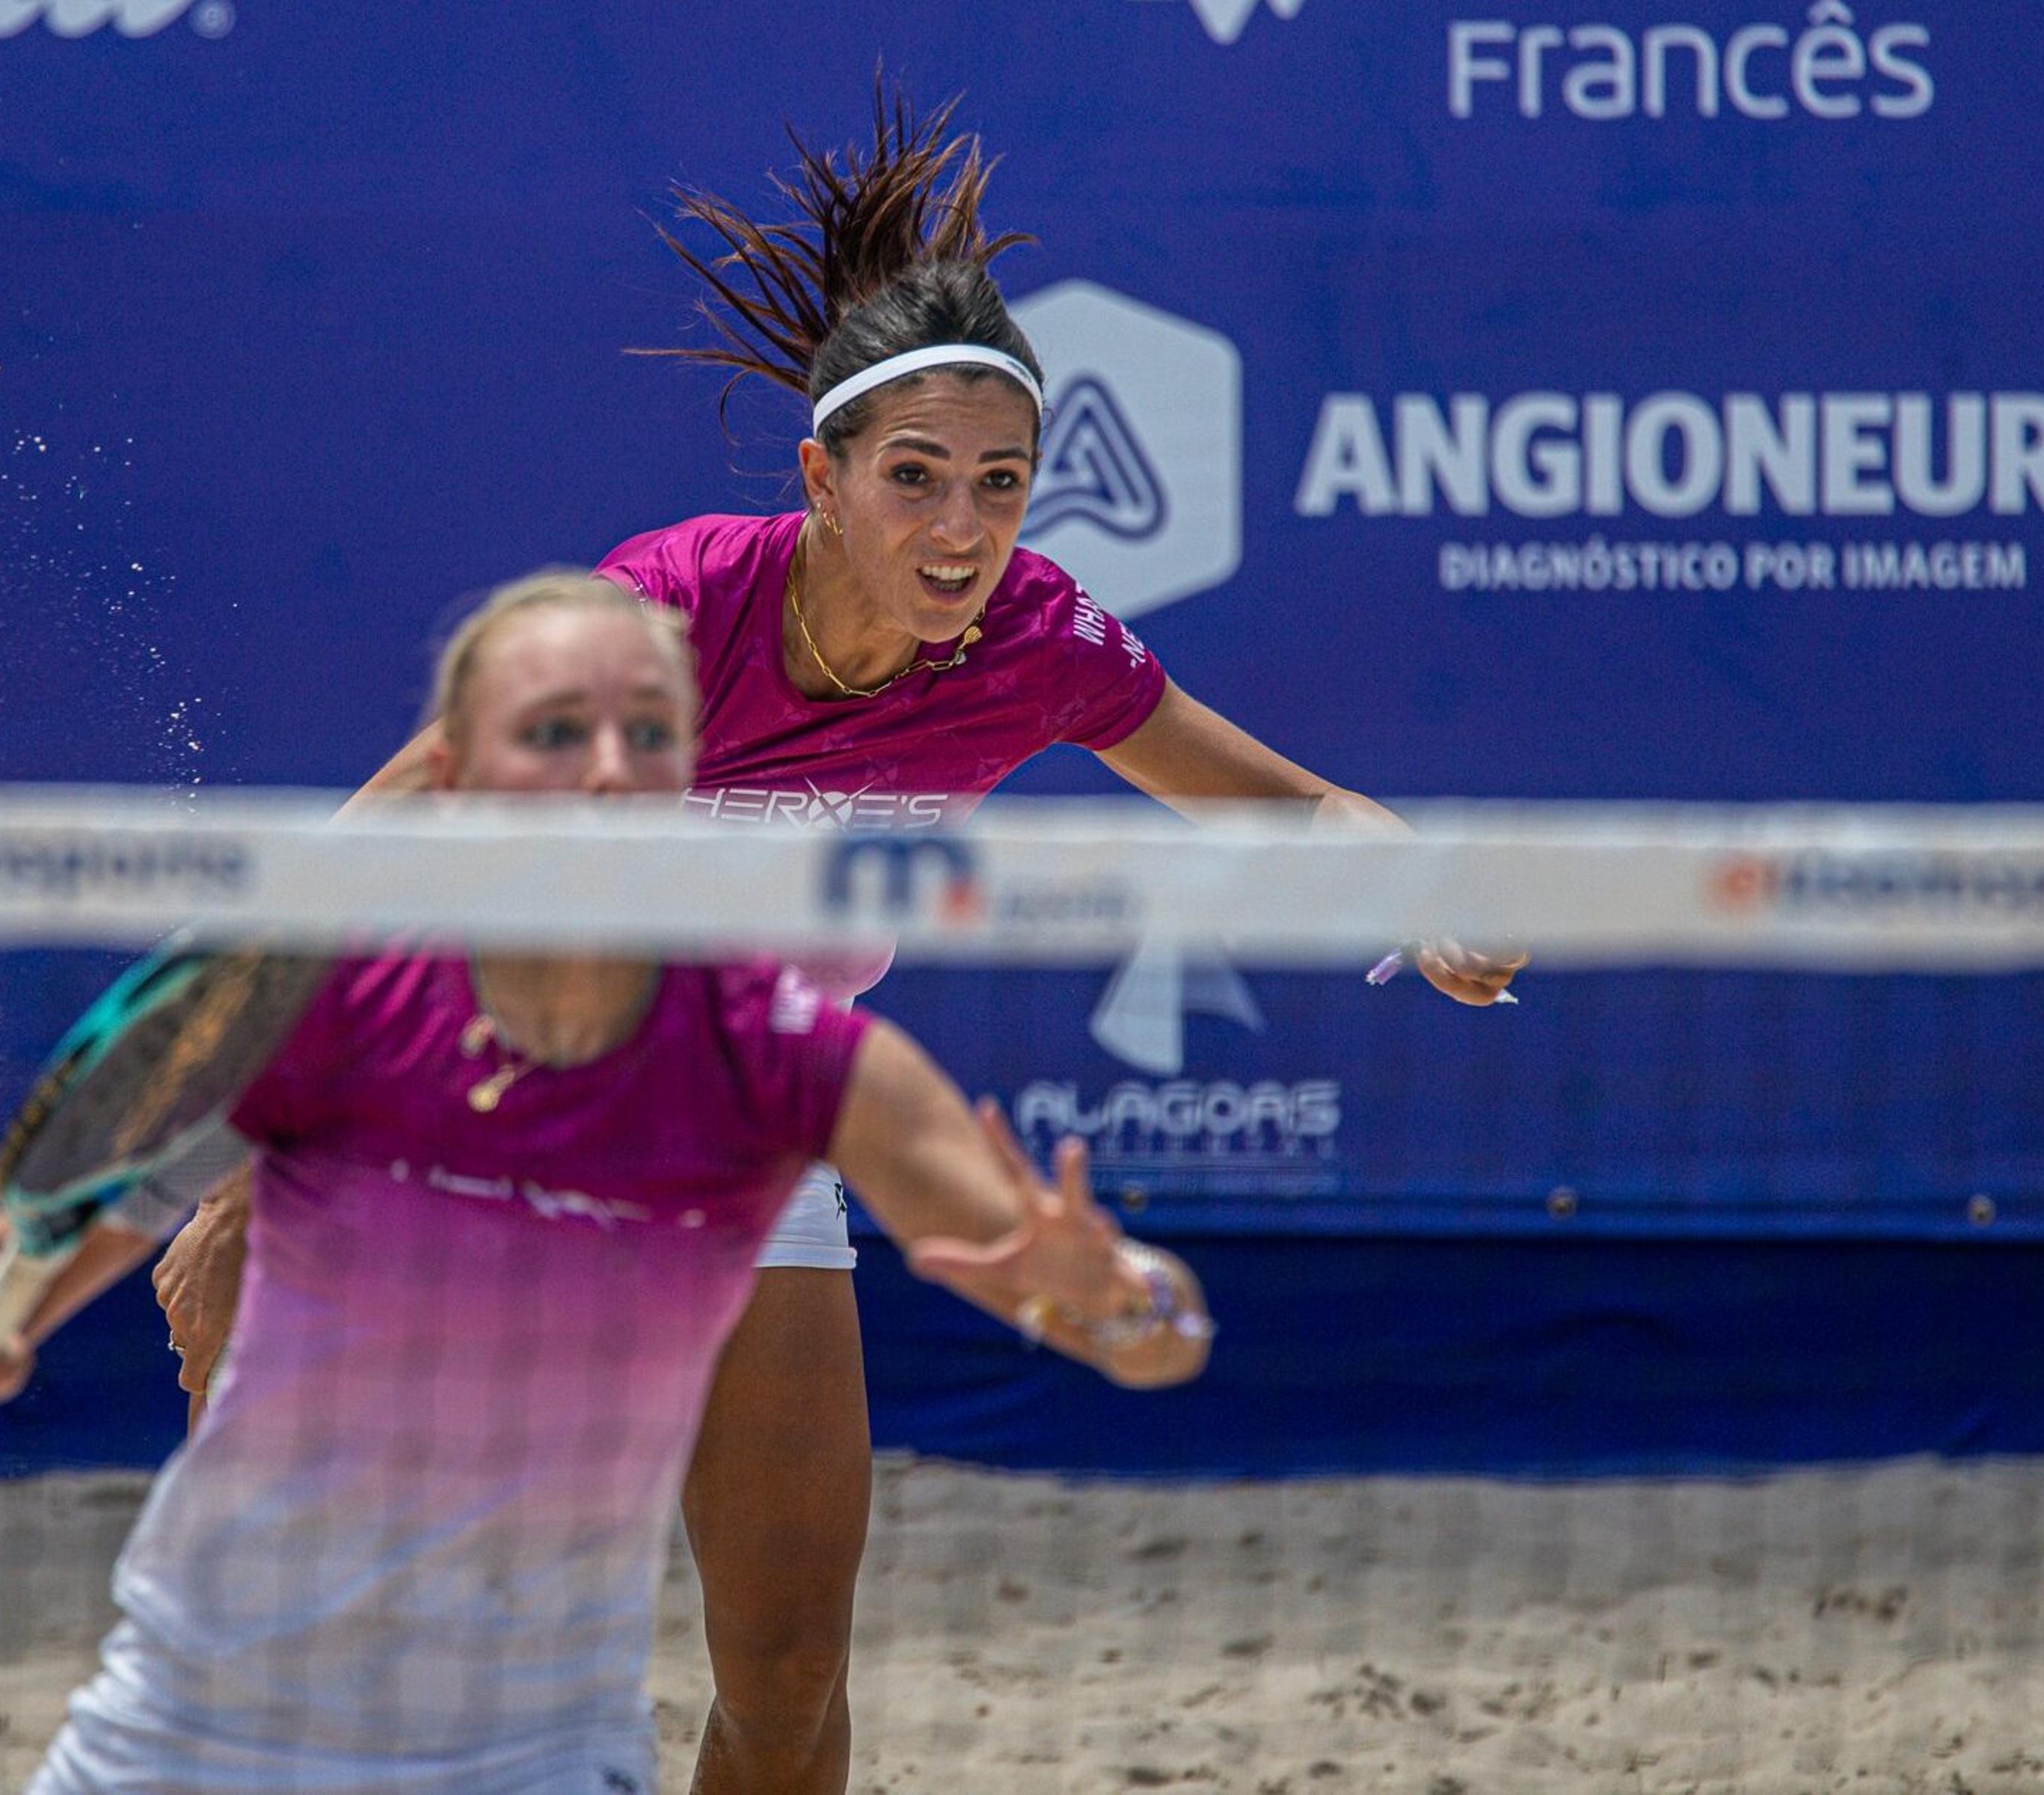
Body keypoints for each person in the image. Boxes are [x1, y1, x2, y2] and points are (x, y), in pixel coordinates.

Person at [154, 93, 1523, 1794]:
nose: (963, 529)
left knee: (790, 1670)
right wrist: (238, 1185)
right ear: (823, 477)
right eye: (918, 481)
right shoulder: (666, 608)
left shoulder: (1033, 640)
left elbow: (1297, 807)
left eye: (1002, 486)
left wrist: (1419, 889)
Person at [0, 572, 1212, 1795]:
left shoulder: (790, 1062)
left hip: (536, 1759)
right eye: (556, 734)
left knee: (790, 1663)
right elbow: (49, 1232)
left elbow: (1140, 1336)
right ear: (454, 780)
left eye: (649, 734)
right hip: (192, 1736)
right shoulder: (327, 1007)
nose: (610, 774)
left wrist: (1133, 1301)